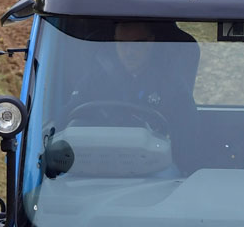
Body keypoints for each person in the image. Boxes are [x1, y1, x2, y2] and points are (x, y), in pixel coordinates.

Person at [65, 21, 199, 172]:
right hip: (99, 166)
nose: (129, 52)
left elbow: (188, 136)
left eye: (138, 43)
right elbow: (67, 119)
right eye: (122, 43)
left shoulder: (171, 83)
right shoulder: (93, 80)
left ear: (151, 42)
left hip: (155, 169)